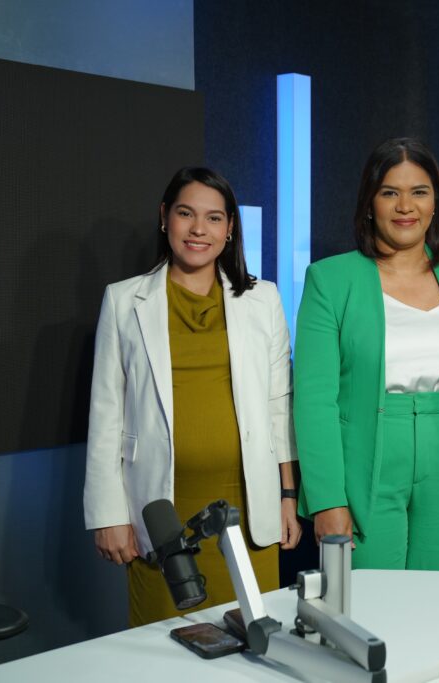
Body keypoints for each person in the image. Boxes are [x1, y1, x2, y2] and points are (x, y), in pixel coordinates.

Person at [84, 167, 301, 626]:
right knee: (164, 645)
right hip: (160, 509)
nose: (199, 229)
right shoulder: (123, 300)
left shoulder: (263, 299)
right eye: (186, 214)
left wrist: (287, 496)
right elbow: (106, 414)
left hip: (248, 507)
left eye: (214, 218)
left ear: (230, 228)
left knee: (253, 640)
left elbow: (278, 405)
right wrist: (107, 514)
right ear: (165, 217)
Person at [293, 137, 439, 570]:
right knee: (369, 601)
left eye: (419, 192)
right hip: (365, 456)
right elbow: (315, 398)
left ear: (435, 203)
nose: (405, 206)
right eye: (389, 192)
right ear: (369, 203)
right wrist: (327, 499)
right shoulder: (329, 279)